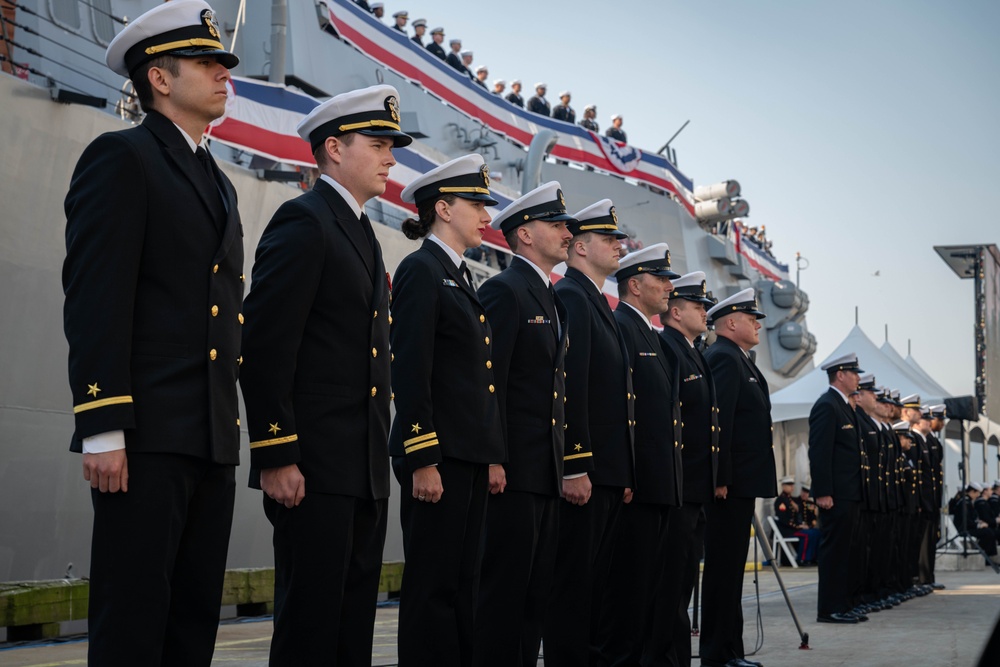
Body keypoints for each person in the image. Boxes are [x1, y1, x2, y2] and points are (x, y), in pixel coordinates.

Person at [62, 2, 242, 664]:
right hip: (145, 439)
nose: (224, 75)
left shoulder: (216, 180)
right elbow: (95, 296)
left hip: (209, 439)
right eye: (207, 63)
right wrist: (103, 426)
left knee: (191, 626)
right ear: (159, 79)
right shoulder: (124, 156)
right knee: (133, 623)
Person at [240, 84, 411, 664]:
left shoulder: (361, 231)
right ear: (334, 148)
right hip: (311, 465)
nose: (391, 156)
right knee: (310, 626)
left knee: (350, 629)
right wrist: (276, 453)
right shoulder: (304, 221)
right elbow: (265, 345)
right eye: (380, 143)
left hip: (361, 467)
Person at [389, 154, 505, 665]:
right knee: (432, 590)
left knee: (463, 584)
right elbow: (411, 368)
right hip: (439, 457)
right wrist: (422, 456)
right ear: (443, 208)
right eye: (475, 203)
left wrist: (490, 454)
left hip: (468, 456)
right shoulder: (421, 270)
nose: (485, 215)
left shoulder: (457, 275)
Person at [473, 182, 574, 667]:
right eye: (556, 225)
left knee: (535, 593)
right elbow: (489, 381)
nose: (566, 232)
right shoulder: (505, 290)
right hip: (512, 473)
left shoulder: (550, 298)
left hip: (545, 471)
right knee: (503, 594)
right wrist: (493, 457)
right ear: (525, 234)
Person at [544, 198, 634, 666]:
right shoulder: (572, 297)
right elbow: (570, 386)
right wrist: (575, 463)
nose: (620, 246)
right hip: (586, 469)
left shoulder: (597, 300)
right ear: (579, 247)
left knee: (597, 583)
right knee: (574, 586)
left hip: (608, 471)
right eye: (609, 239)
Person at [597, 244, 682, 665]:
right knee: (625, 596)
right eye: (660, 279)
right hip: (638, 486)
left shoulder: (648, 332)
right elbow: (618, 410)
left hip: (657, 485)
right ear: (635, 284)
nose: (669, 287)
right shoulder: (621, 327)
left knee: (649, 590)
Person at [646, 270, 719, 667]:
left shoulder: (692, 350)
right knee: (669, 583)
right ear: (675, 312)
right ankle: (664, 658)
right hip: (678, 486)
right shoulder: (669, 348)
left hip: (694, 487)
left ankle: (675, 657)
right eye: (697, 306)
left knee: (683, 582)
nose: (704, 312)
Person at [701, 287, 775, 667]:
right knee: (722, 573)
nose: (757, 325)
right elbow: (720, 424)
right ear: (730, 323)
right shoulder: (724, 359)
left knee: (731, 575)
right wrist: (720, 477)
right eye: (751, 319)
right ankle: (717, 654)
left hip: (742, 482)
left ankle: (732, 651)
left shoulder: (739, 359)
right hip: (728, 485)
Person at [808, 353, 866, 624]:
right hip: (835, 495)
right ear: (840, 375)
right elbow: (819, 451)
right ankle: (829, 608)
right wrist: (822, 491)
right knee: (834, 553)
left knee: (848, 552)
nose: (858, 378)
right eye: (853, 373)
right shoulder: (827, 405)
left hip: (850, 493)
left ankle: (843, 604)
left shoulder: (844, 406)